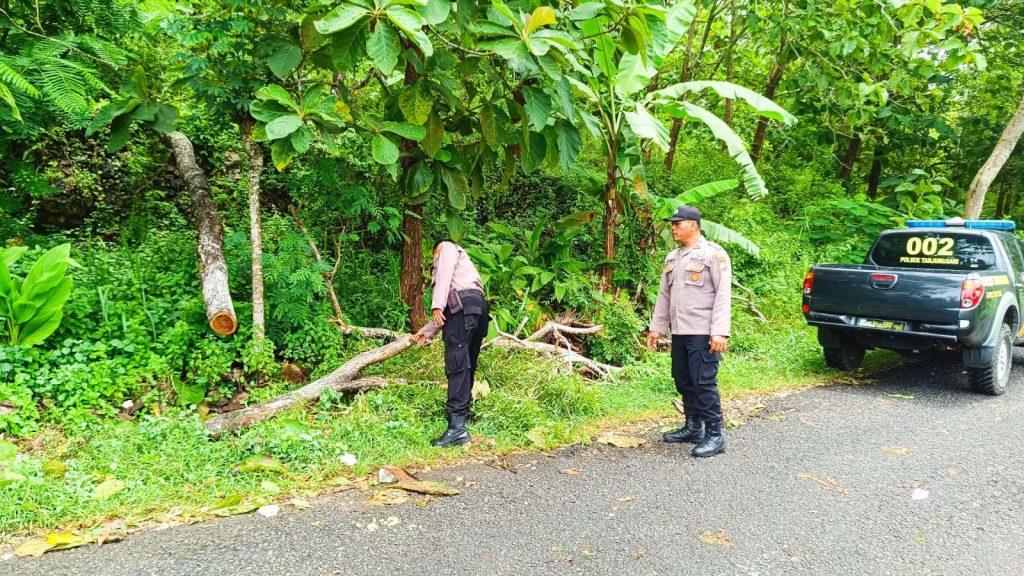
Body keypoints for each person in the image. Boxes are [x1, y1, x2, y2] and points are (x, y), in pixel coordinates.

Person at [647, 206, 732, 458]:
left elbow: (723, 294)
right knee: (683, 379)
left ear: (693, 225)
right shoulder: (673, 257)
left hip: (703, 331)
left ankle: (715, 435)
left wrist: (719, 332)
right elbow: (665, 295)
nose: (673, 227)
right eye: (672, 224)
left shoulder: (713, 255)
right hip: (680, 332)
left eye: (678, 223)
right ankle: (693, 427)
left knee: (703, 382)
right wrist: (657, 328)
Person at [411, 239, 489, 447]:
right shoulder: (465, 274)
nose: (434, 263)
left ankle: (457, 429)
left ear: (437, 250)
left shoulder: (446, 248)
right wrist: (426, 332)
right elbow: (449, 311)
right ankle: (463, 415)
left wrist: (436, 304)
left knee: (456, 365)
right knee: (466, 364)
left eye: (433, 259)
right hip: (476, 307)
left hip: (463, 308)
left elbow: (445, 293)